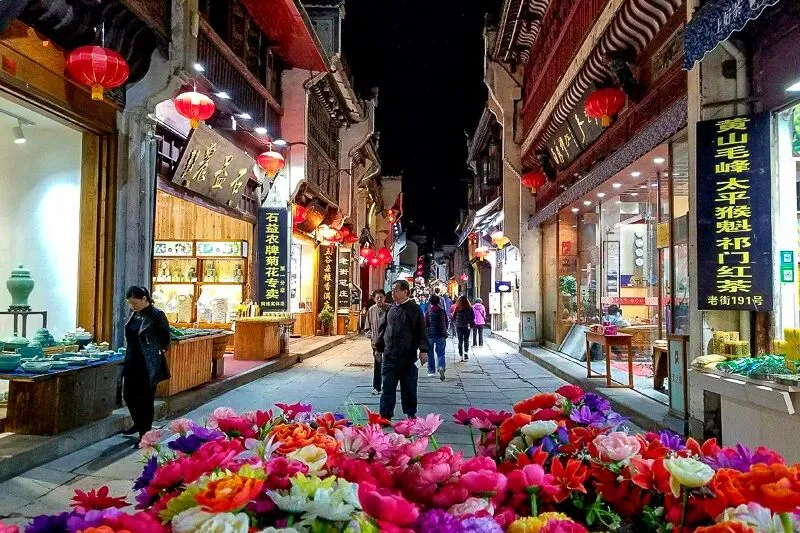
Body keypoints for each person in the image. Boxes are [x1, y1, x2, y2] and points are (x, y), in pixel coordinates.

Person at [122, 286, 171, 447]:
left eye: (135, 303)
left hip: (147, 363)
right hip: (132, 360)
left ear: (144, 299)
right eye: (130, 303)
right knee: (128, 395)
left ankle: (145, 434)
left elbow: (165, 339)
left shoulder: (156, 315)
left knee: (145, 400)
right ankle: (138, 423)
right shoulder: (135, 314)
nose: (132, 306)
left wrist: (155, 352)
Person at [376, 280, 429, 420]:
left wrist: (423, 350)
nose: (392, 293)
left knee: (409, 387)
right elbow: (383, 330)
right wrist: (378, 348)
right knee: (387, 387)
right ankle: (385, 415)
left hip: (408, 356)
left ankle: (411, 413)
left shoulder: (414, 309)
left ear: (405, 292)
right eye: (392, 290)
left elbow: (421, 330)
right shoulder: (390, 308)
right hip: (389, 355)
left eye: (396, 290)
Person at [363, 289, 390, 395]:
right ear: (374, 299)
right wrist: (370, 334)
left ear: (384, 298)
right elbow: (367, 326)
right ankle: (376, 387)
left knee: (387, 364)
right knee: (377, 364)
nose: (379, 299)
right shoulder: (371, 310)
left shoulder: (390, 308)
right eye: (377, 297)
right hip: (375, 342)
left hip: (388, 342)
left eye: (381, 297)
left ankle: (387, 386)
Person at [424, 294, 449, 381]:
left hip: (430, 335)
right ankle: (441, 367)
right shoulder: (442, 311)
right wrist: (445, 330)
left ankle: (431, 371)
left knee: (430, 353)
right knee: (441, 353)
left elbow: (425, 324)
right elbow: (446, 322)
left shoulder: (428, 312)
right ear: (439, 302)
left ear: (430, 302)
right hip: (441, 334)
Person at [452, 296, 474, 361]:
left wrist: (457, 321)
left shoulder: (457, 308)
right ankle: (466, 354)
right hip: (467, 326)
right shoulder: (470, 308)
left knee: (460, 341)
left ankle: (461, 355)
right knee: (466, 340)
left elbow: (453, 317)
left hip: (459, 326)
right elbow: (473, 317)